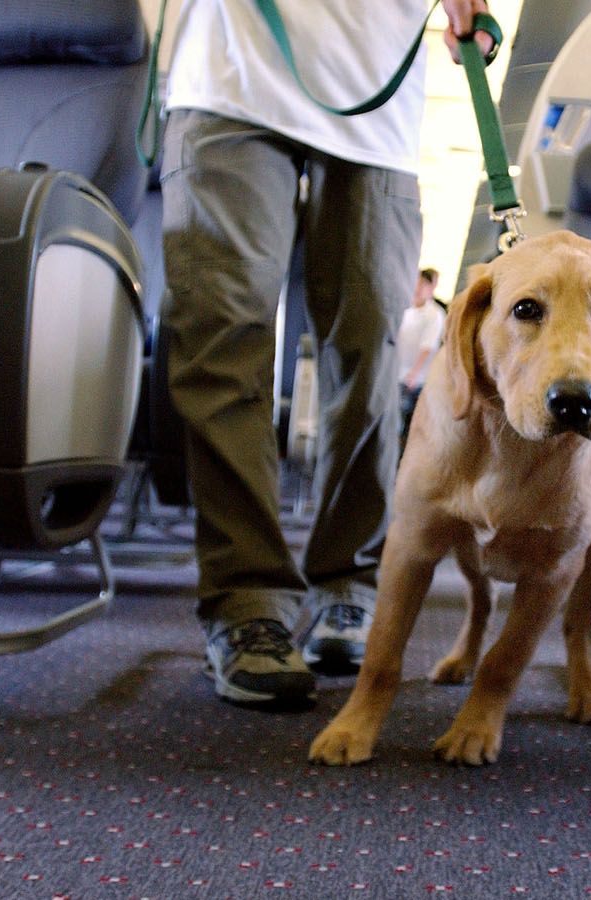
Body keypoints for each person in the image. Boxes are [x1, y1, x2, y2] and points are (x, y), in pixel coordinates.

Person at [159, 0, 494, 705]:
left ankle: (350, 582)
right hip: (231, 77)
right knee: (221, 343)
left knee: (370, 352)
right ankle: (246, 603)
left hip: (378, 105)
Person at [396, 267, 445, 447]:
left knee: (405, 421)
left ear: (431, 288)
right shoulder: (406, 307)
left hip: (415, 379)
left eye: (423, 285)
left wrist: (414, 373)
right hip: (397, 371)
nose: (417, 288)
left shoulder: (435, 314)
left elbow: (428, 347)